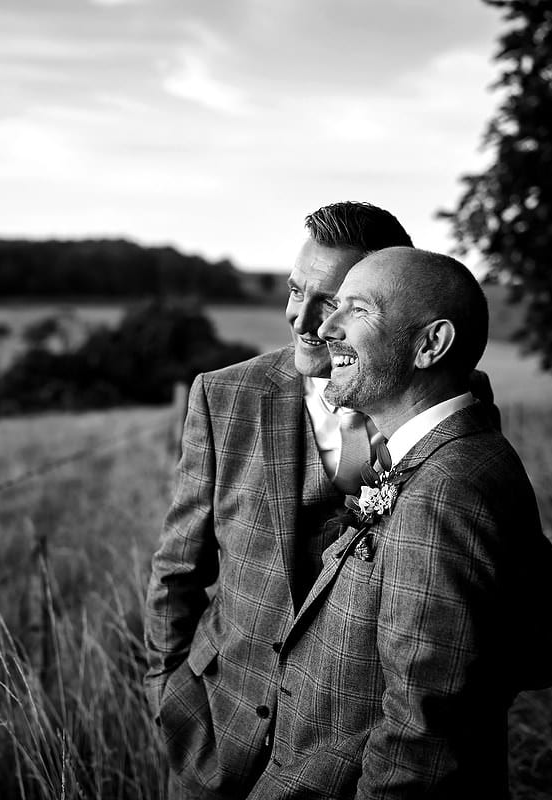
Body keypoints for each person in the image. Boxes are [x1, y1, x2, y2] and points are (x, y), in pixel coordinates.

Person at [142, 202, 495, 798]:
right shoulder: (224, 397)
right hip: (218, 731)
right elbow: (177, 567)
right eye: (294, 291)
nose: (304, 320)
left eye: (333, 302)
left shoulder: (446, 398)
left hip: (367, 752)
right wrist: (168, 690)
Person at [246, 247, 552, 799]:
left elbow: (423, 741)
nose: (324, 328)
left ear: (430, 345)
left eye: (357, 310)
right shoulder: (455, 457)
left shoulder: (445, 490)